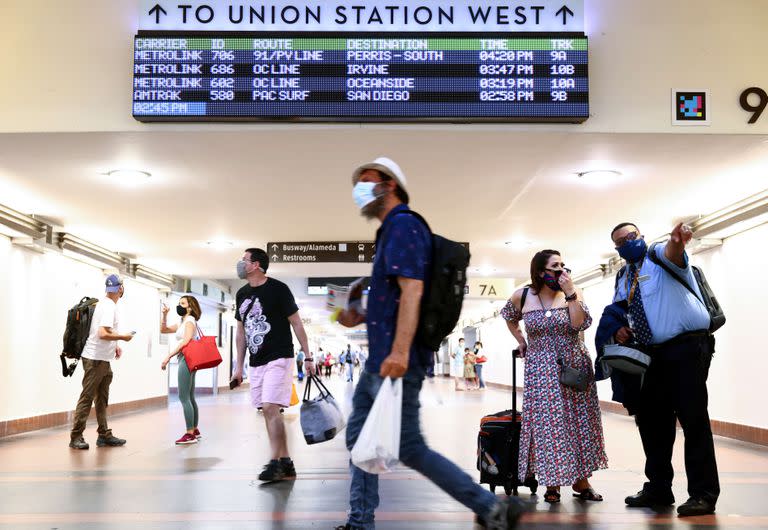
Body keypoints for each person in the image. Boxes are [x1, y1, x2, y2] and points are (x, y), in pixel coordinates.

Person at [335, 157, 524, 530]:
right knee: (364, 441)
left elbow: (413, 290)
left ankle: (490, 507)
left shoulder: (403, 225)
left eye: (367, 180)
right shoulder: (390, 230)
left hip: (394, 359)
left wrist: (401, 351)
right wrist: (358, 315)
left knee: (405, 446)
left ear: (389, 185)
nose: (358, 190)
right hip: (385, 357)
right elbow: (395, 299)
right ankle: (361, 521)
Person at [610, 222, 719, 517]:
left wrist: (676, 241)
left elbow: (674, 252)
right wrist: (620, 329)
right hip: (649, 354)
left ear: (641, 236)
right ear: (617, 249)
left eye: (632, 236)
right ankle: (658, 487)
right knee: (651, 422)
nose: (628, 242)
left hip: (685, 348)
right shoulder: (623, 275)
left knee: (693, 419)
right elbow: (621, 310)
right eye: (621, 242)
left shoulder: (658, 256)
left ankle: (703, 494)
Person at [501, 250, 607, 504]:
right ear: (540, 272)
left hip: (573, 365)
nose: (561, 270)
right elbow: (508, 317)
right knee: (548, 426)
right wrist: (521, 340)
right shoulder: (522, 295)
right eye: (554, 266)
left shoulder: (573, 292)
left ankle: (582, 482)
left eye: (562, 265)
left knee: (578, 423)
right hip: (539, 369)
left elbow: (578, 325)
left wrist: (571, 293)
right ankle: (553, 484)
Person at [229, 248, 313, 482]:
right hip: (257, 362)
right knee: (269, 412)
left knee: (269, 408)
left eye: (244, 260)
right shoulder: (242, 294)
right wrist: (238, 368)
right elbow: (241, 332)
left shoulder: (278, 289)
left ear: (256, 265)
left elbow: (296, 323)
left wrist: (308, 357)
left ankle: (274, 462)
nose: (240, 263)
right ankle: (286, 461)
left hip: (280, 356)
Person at [69, 274, 133, 450]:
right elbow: (102, 334)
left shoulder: (105, 304)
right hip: (95, 359)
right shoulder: (109, 307)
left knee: (102, 398)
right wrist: (124, 337)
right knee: (87, 397)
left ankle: (104, 434)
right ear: (120, 289)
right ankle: (75, 436)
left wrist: (116, 345)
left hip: (103, 358)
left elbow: (104, 332)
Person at [160, 295, 203, 445]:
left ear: (190, 307)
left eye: (182, 303)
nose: (180, 305)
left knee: (183, 396)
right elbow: (163, 329)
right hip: (186, 359)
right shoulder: (183, 322)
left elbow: (186, 342)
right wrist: (165, 314)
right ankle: (195, 430)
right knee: (190, 396)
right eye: (179, 303)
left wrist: (169, 356)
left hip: (186, 359)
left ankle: (189, 433)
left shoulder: (190, 321)